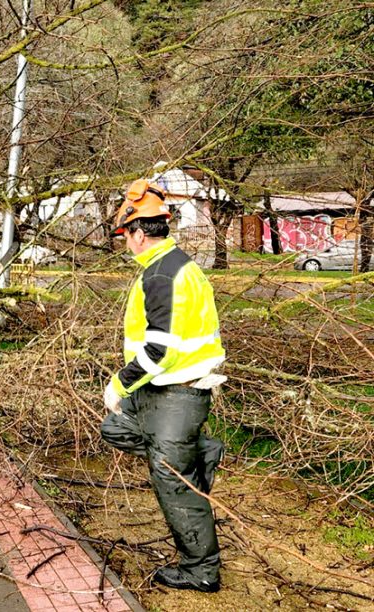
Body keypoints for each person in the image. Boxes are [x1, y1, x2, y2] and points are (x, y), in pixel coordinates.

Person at [100, 179, 226, 593]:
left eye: (126, 236)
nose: (126, 243)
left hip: (176, 392)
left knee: (172, 479)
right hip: (163, 390)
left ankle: (201, 569)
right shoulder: (175, 263)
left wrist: (119, 383)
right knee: (114, 428)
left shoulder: (161, 274)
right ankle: (200, 450)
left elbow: (159, 349)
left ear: (137, 233)